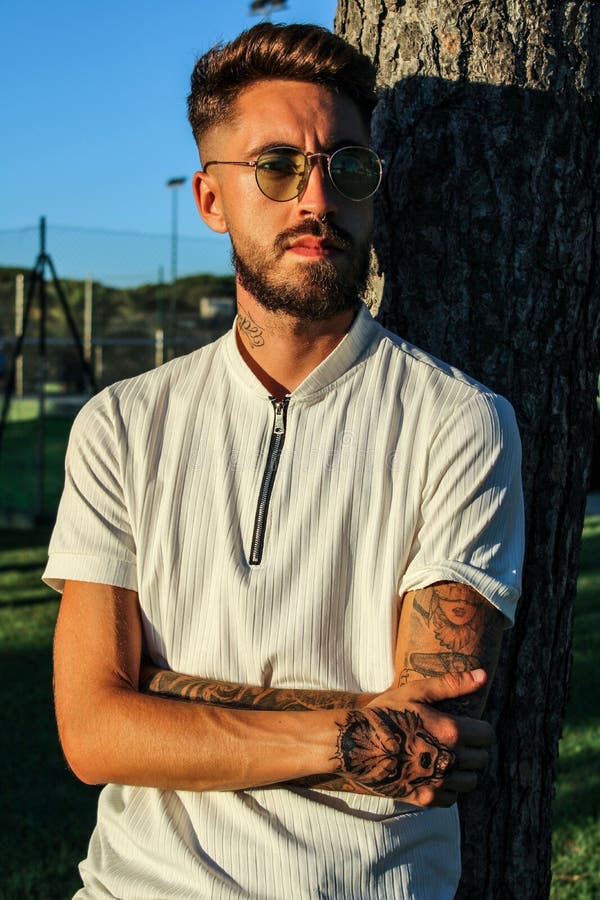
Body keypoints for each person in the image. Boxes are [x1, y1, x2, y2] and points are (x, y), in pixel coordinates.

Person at [46, 22, 524, 900]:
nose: (316, 199)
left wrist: (156, 698)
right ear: (210, 199)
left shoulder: (462, 422)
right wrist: (347, 732)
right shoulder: (120, 425)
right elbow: (93, 734)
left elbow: (425, 743)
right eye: (275, 167)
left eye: (346, 168)